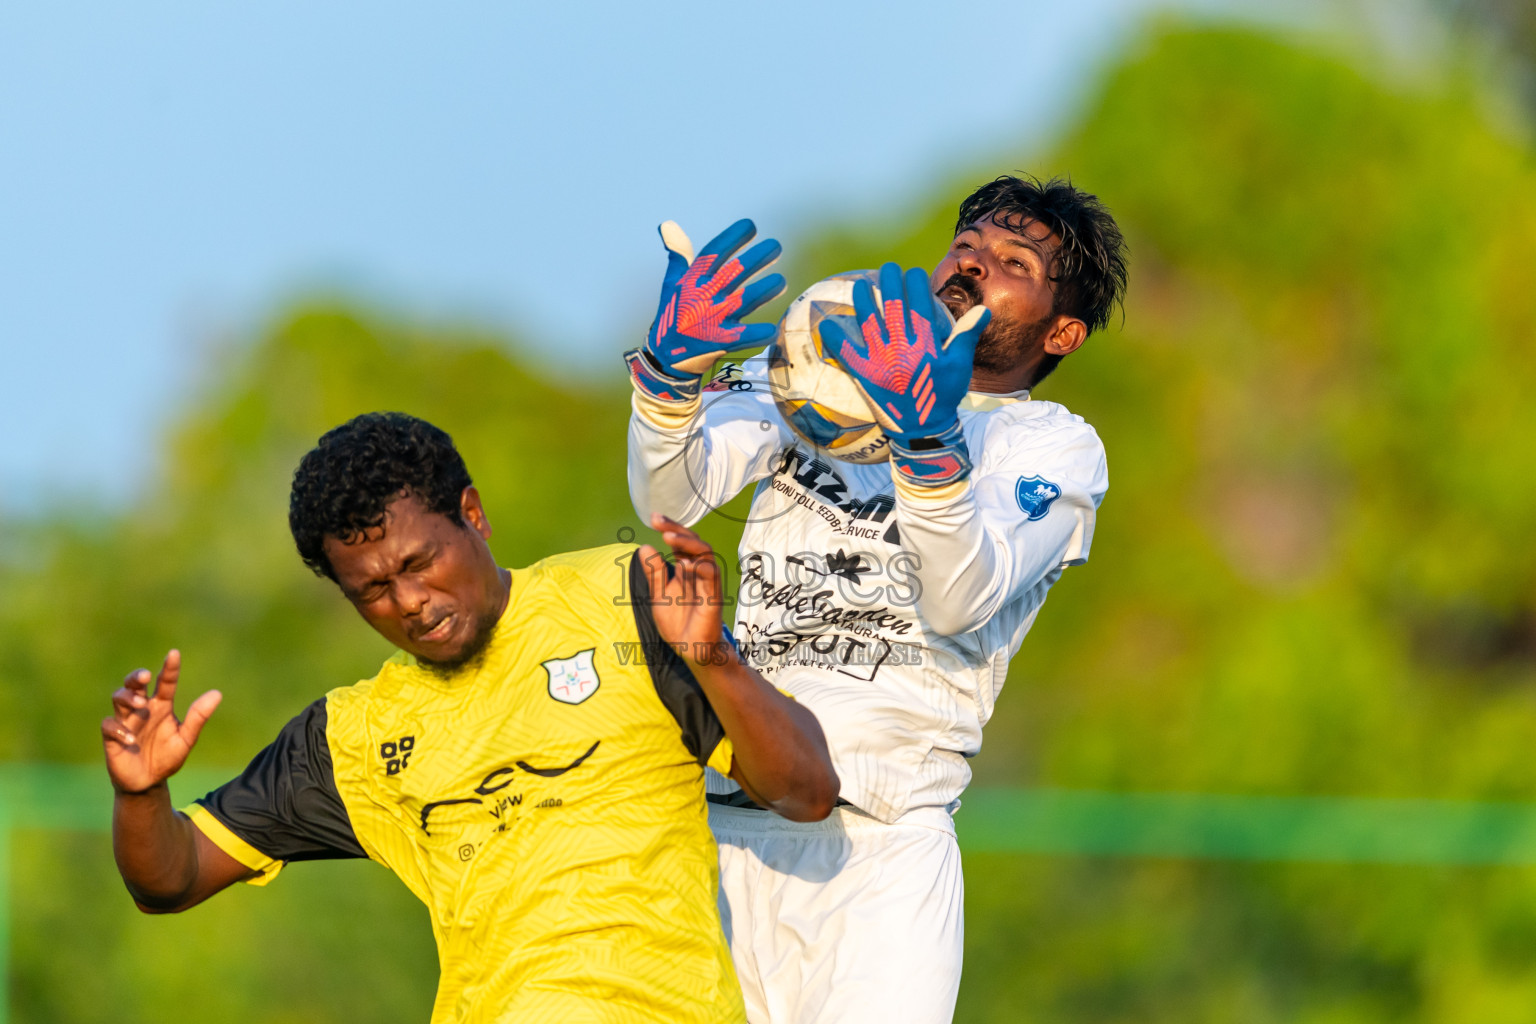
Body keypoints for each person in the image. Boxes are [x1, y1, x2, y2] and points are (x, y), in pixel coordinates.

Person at [100, 411, 839, 1024]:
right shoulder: (352, 735)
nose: (410, 601)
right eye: (374, 590)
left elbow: (806, 791)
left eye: (421, 563)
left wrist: (714, 659)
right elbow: (171, 879)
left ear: (474, 516)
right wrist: (141, 793)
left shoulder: (623, 598)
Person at [623, 176, 1129, 1023]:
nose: (974, 264)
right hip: (723, 824)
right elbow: (669, 496)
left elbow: (963, 594)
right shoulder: (821, 360)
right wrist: (669, 382)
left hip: (883, 851)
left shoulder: (1050, 446)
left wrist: (925, 440)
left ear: (1063, 330)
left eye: (1014, 262)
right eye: (967, 246)